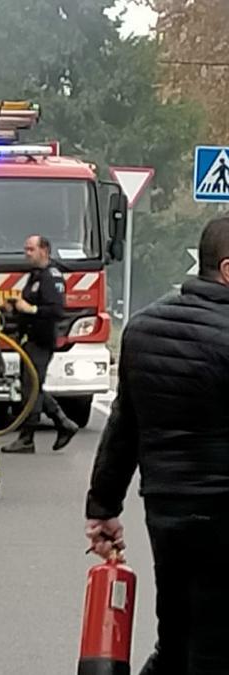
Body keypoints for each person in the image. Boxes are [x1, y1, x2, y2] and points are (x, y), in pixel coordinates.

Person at [85, 218, 229, 674]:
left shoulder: (144, 330)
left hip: (167, 512)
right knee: (213, 651)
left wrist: (103, 507)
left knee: (177, 638)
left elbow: (124, 427)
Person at [1, 235, 79, 453]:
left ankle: (27, 438)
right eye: (25, 249)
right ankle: (64, 423)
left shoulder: (51, 277)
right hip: (30, 339)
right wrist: (14, 308)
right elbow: (29, 305)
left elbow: (56, 310)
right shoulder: (35, 276)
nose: (27, 253)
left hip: (43, 340)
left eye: (31, 249)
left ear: (44, 250)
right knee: (31, 385)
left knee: (32, 387)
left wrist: (31, 309)